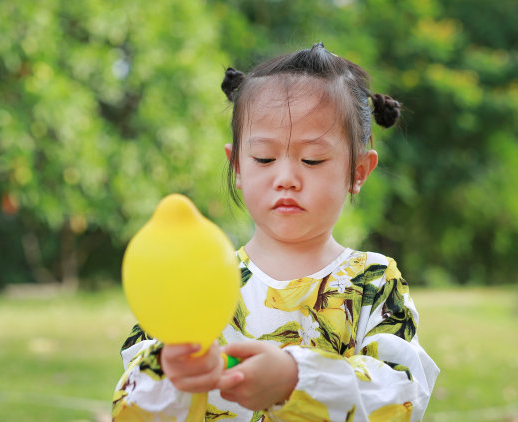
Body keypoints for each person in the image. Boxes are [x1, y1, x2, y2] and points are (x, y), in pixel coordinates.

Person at [112, 42, 439, 421]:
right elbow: (130, 405)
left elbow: (402, 397)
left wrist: (294, 380)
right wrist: (172, 372)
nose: (286, 178)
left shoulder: (373, 283)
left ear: (358, 171)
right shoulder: (198, 279)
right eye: (264, 158)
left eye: (312, 159)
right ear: (236, 165)